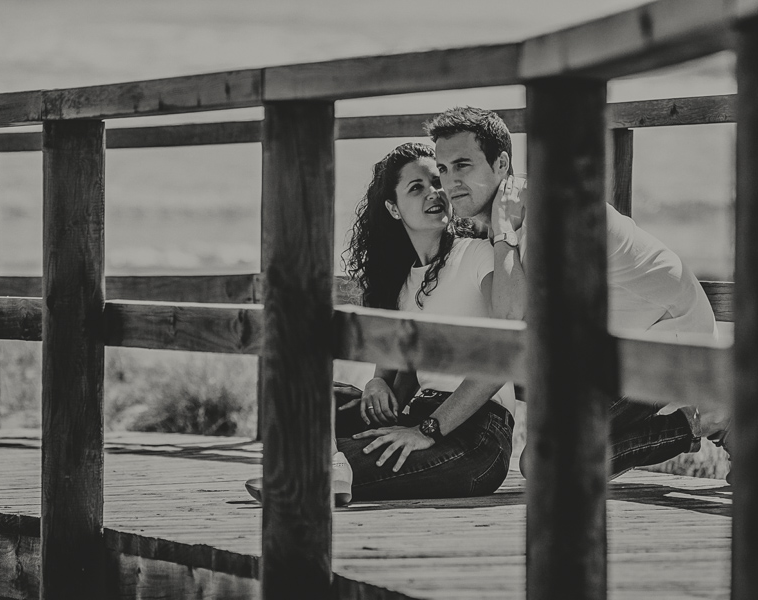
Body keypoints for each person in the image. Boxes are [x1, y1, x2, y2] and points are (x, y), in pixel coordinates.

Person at [424, 106, 731, 479]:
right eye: (442, 169)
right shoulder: (503, 221)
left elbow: (508, 322)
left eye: (463, 166)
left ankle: (707, 419)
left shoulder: (549, 215)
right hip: (610, 350)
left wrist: (503, 233)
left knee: (544, 465)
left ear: (502, 163)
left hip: (671, 344)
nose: (449, 182)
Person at [246, 142, 516, 505]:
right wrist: (377, 383)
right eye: (416, 188)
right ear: (393, 208)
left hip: (476, 436)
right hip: (418, 415)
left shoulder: (477, 254)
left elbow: (504, 353)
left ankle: (322, 472)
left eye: (438, 182)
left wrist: (427, 430)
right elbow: (391, 375)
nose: (435, 193)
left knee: (302, 469)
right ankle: (323, 467)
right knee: (310, 389)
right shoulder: (403, 285)